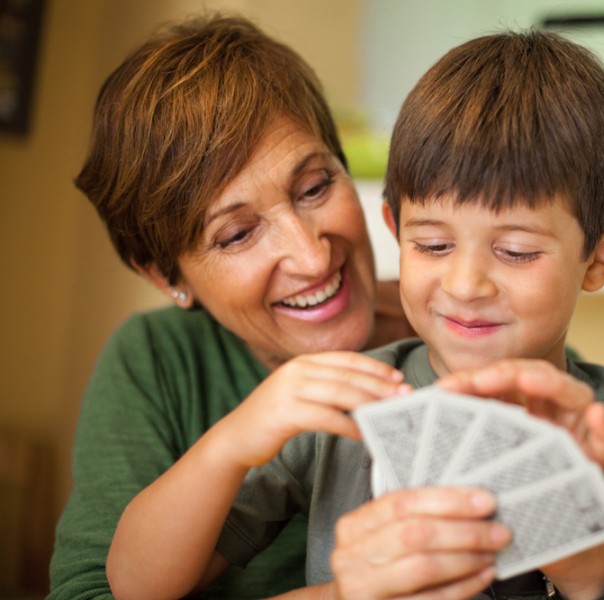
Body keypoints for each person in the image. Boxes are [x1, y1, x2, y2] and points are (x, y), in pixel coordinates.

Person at [105, 30, 604, 600]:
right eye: (431, 245)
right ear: (394, 230)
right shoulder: (348, 405)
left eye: (515, 251)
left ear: (601, 256)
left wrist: (588, 576)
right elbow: (136, 586)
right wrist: (231, 443)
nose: (464, 283)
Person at [48, 14, 422, 599]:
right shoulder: (156, 362)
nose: (311, 256)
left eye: (316, 187)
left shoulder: (467, 332)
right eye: (237, 234)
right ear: (166, 274)